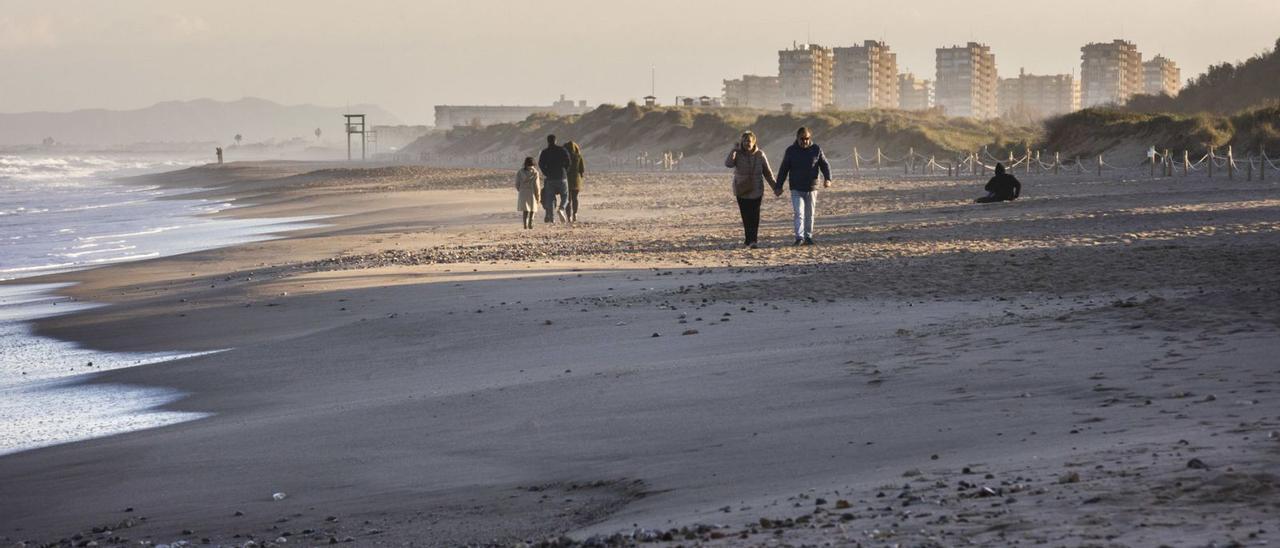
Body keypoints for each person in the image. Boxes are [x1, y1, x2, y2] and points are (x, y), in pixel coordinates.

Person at [775, 127, 831, 245]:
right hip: (796, 187)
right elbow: (784, 169)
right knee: (799, 213)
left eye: (807, 138)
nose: (805, 141)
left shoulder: (816, 149)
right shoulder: (790, 151)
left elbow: (825, 165)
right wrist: (778, 186)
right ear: (797, 138)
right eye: (802, 139)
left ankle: (808, 236)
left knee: (810, 214)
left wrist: (828, 179)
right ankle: (799, 237)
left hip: (812, 187)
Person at [724, 131, 777, 248]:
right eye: (745, 141)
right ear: (741, 143)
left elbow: (768, 173)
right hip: (741, 190)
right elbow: (728, 164)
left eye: (749, 141)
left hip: (756, 189)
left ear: (754, 142)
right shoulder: (737, 154)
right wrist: (733, 150)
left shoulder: (760, 155)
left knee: (755, 215)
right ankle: (748, 239)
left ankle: (753, 240)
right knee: (745, 216)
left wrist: (775, 187)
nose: (747, 143)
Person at [538, 134, 571, 223]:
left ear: (548, 141)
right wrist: (565, 170)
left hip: (550, 178)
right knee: (565, 195)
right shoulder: (562, 150)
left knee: (550, 198)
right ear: (555, 140)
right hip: (561, 176)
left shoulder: (545, 152)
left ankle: (551, 218)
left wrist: (546, 172)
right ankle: (561, 208)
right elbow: (568, 161)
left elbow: (540, 164)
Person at [515, 156, 542, 229]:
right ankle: (530, 223)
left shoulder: (520, 172)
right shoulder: (535, 172)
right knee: (533, 209)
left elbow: (517, 184)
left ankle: (525, 224)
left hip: (523, 192)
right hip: (532, 192)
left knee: (525, 210)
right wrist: (538, 196)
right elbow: (537, 185)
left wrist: (520, 190)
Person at [565, 140, 586, 222]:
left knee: (568, 199)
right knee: (575, 198)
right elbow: (582, 169)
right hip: (576, 181)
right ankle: (575, 214)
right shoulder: (579, 156)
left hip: (566, 180)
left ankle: (568, 216)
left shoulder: (565, 157)